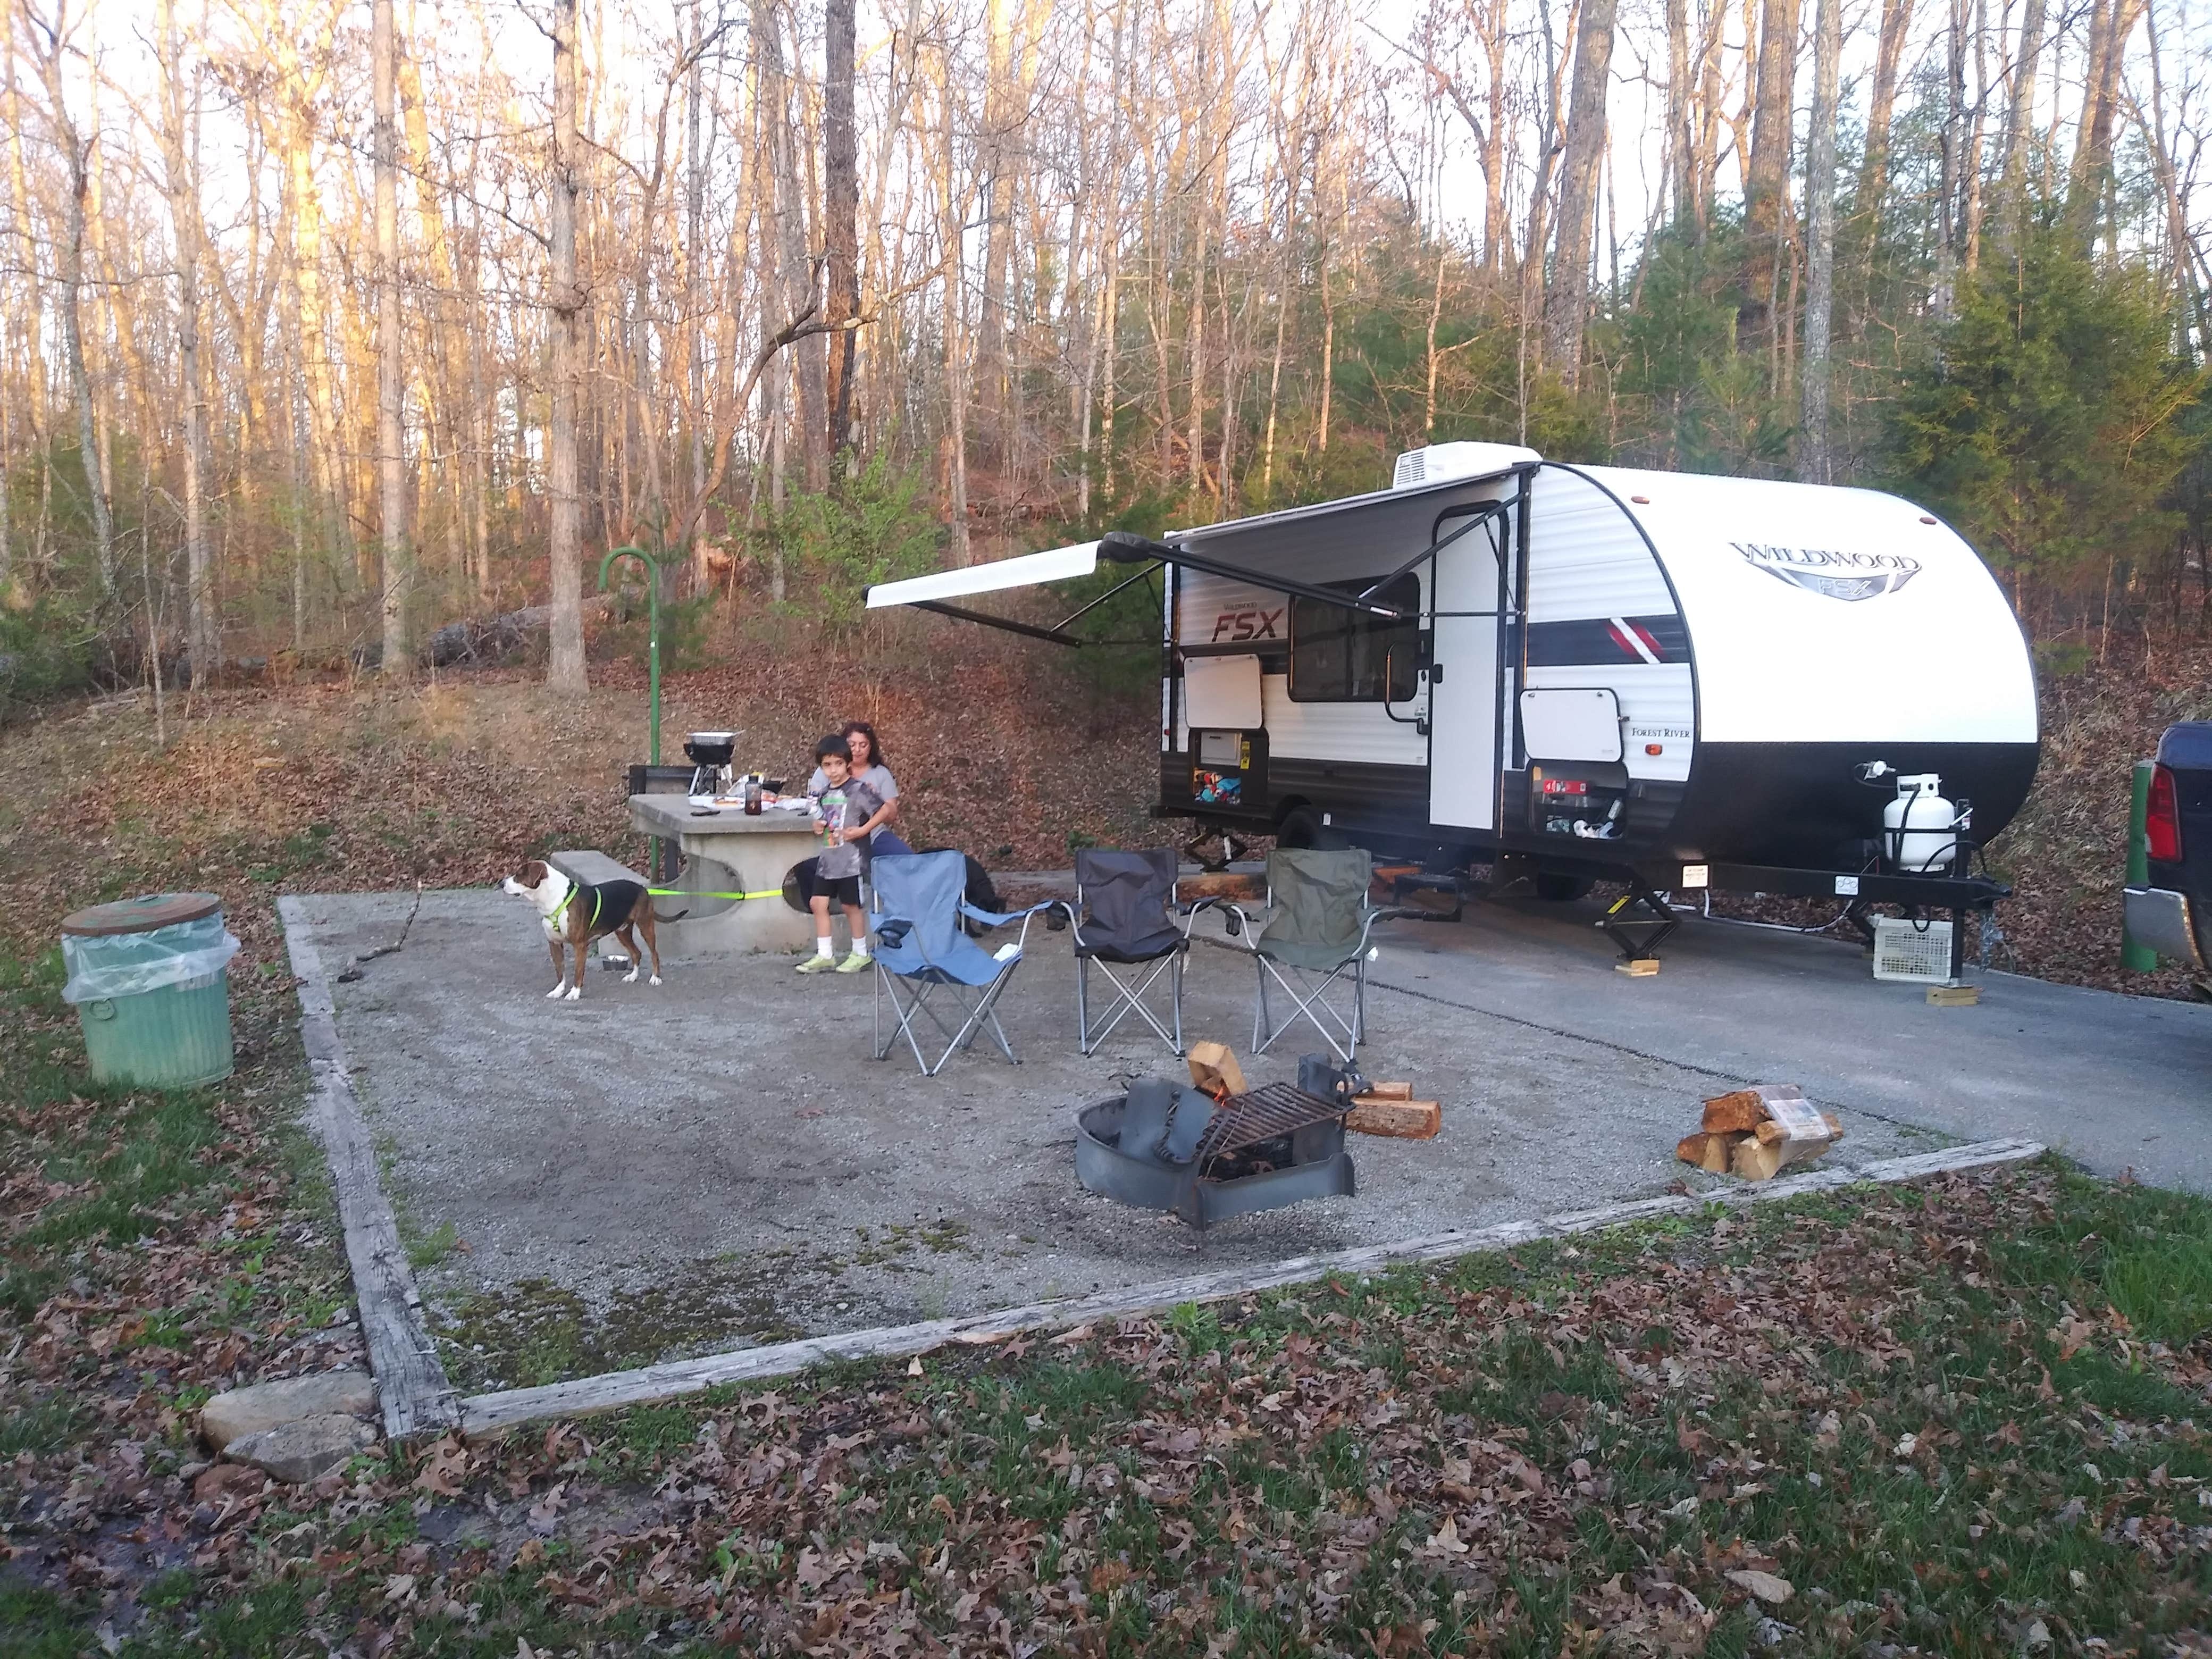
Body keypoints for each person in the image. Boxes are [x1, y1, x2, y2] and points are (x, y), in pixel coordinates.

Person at [796, 735, 891, 974]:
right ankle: (825, 954)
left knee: (851, 906)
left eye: (838, 764)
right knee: (818, 903)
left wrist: (863, 830)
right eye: (827, 765)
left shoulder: (858, 789)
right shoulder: (824, 793)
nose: (833, 770)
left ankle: (860, 953)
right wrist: (817, 826)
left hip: (852, 861)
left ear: (848, 763)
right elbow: (823, 821)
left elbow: (884, 810)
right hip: (828, 859)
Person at [807, 720, 911, 856]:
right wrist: (818, 822)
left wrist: (873, 799)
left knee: (905, 859)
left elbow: (890, 815)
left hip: (874, 835)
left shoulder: (881, 773)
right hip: (834, 836)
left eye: (863, 745)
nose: (857, 750)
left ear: (871, 747)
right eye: (852, 745)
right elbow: (813, 804)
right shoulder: (826, 771)